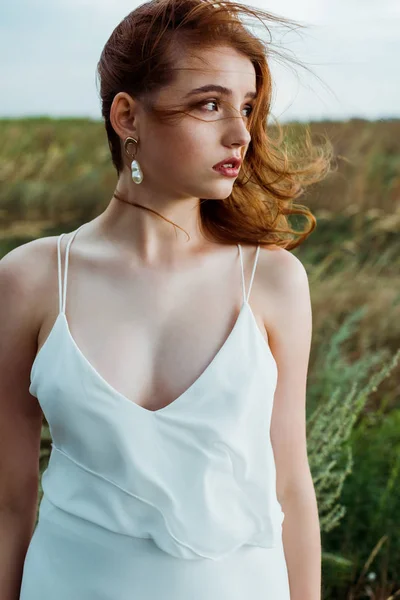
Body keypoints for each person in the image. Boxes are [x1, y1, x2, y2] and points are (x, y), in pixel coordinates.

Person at [0, 0, 333, 598]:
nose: (240, 133)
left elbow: (291, 488)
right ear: (127, 116)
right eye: (210, 104)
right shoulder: (29, 280)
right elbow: (7, 503)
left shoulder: (274, 280)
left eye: (249, 108)